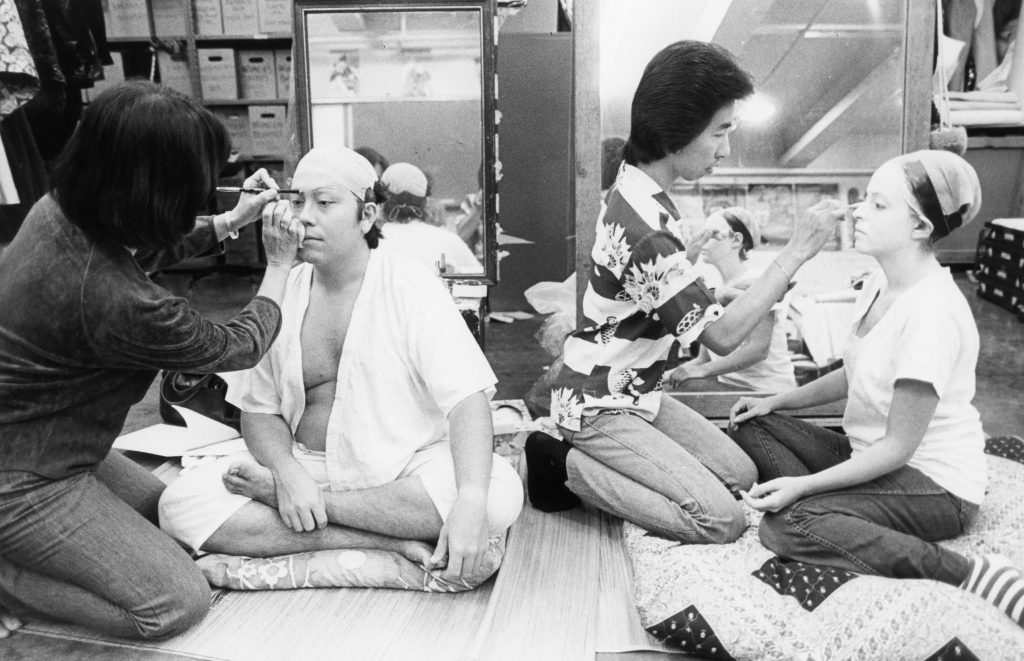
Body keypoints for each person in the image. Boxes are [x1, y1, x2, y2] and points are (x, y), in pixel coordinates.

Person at [0, 81, 299, 640]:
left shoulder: (62, 209)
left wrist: (233, 220)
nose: (203, 192)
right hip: (23, 476)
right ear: (150, 188)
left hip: (49, 442)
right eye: (194, 185)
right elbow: (232, 347)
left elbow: (137, 242)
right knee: (175, 601)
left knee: (175, 512)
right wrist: (278, 265)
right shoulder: (115, 299)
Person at [524, 40, 842, 544]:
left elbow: (680, 305)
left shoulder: (645, 194)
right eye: (720, 132)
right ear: (678, 129)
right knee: (721, 520)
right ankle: (560, 462)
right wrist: (796, 252)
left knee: (741, 476)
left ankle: (595, 457)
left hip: (636, 388)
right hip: (597, 400)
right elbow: (722, 336)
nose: (725, 149)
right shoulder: (645, 222)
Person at [159, 147, 522, 587]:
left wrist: (468, 499)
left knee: (496, 495)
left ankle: (322, 517)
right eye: (297, 201)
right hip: (305, 465)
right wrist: (289, 474)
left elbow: (468, 401)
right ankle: (384, 543)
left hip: (401, 470)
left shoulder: (411, 286)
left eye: (325, 203)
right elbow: (257, 409)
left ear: (367, 215)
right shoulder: (283, 289)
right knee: (180, 504)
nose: (305, 217)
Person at [729, 150, 1024, 630]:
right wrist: (775, 401)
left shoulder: (933, 313)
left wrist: (803, 486)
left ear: (921, 228)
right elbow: (856, 372)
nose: (857, 211)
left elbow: (896, 449)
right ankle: (832, 508)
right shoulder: (877, 285)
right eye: (865, 199)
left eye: (879, 205)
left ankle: (969, 572)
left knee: (787, 526)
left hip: (933, 484)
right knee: (752, 423)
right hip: (868, 455)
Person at [664, 206, 797, 393]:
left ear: (736, 240)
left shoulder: (758, 282)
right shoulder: (715, 291)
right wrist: (663, 378)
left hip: (765, 391)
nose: (703, 242)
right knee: (667, 390)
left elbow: (758, 350)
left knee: (686, 387)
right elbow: (704, 360)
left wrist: (700, 372)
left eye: (713, 234)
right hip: (731, 388)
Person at [378, 161, 483, 274]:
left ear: (381, 203)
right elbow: (481, 276)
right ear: (425, 202)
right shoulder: (448, 240)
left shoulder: (369, 242)